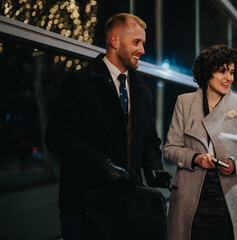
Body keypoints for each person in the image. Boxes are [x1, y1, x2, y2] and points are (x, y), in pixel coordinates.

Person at [45, 13, 171, 239]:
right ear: (114, 41)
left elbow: (150, 140)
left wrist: (154, 168)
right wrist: (104, 166)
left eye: (143, 43)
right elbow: (58, 136)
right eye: (136, 42)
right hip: (84, 205)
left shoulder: (142, 91)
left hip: (130, 204)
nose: (142, 50)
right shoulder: (79, 82)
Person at [164, 45, 237, 240]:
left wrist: (234, 165)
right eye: (222, 71)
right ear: (207, 72)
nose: (228, 77)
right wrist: (195, 158)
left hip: (229, 196)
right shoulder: (184, 102)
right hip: (190, 195)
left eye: (231, 72)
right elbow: (170, 149)